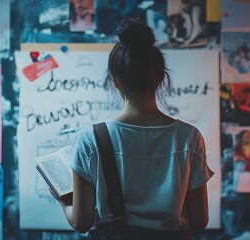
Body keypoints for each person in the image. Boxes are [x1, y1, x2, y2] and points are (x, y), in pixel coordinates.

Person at [51, 20, 213, 239]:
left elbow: (81, 222)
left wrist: (63, 199)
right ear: (160, 78)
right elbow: (200, 220)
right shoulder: (189, 137)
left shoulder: (90, 140)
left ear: (114, 81)